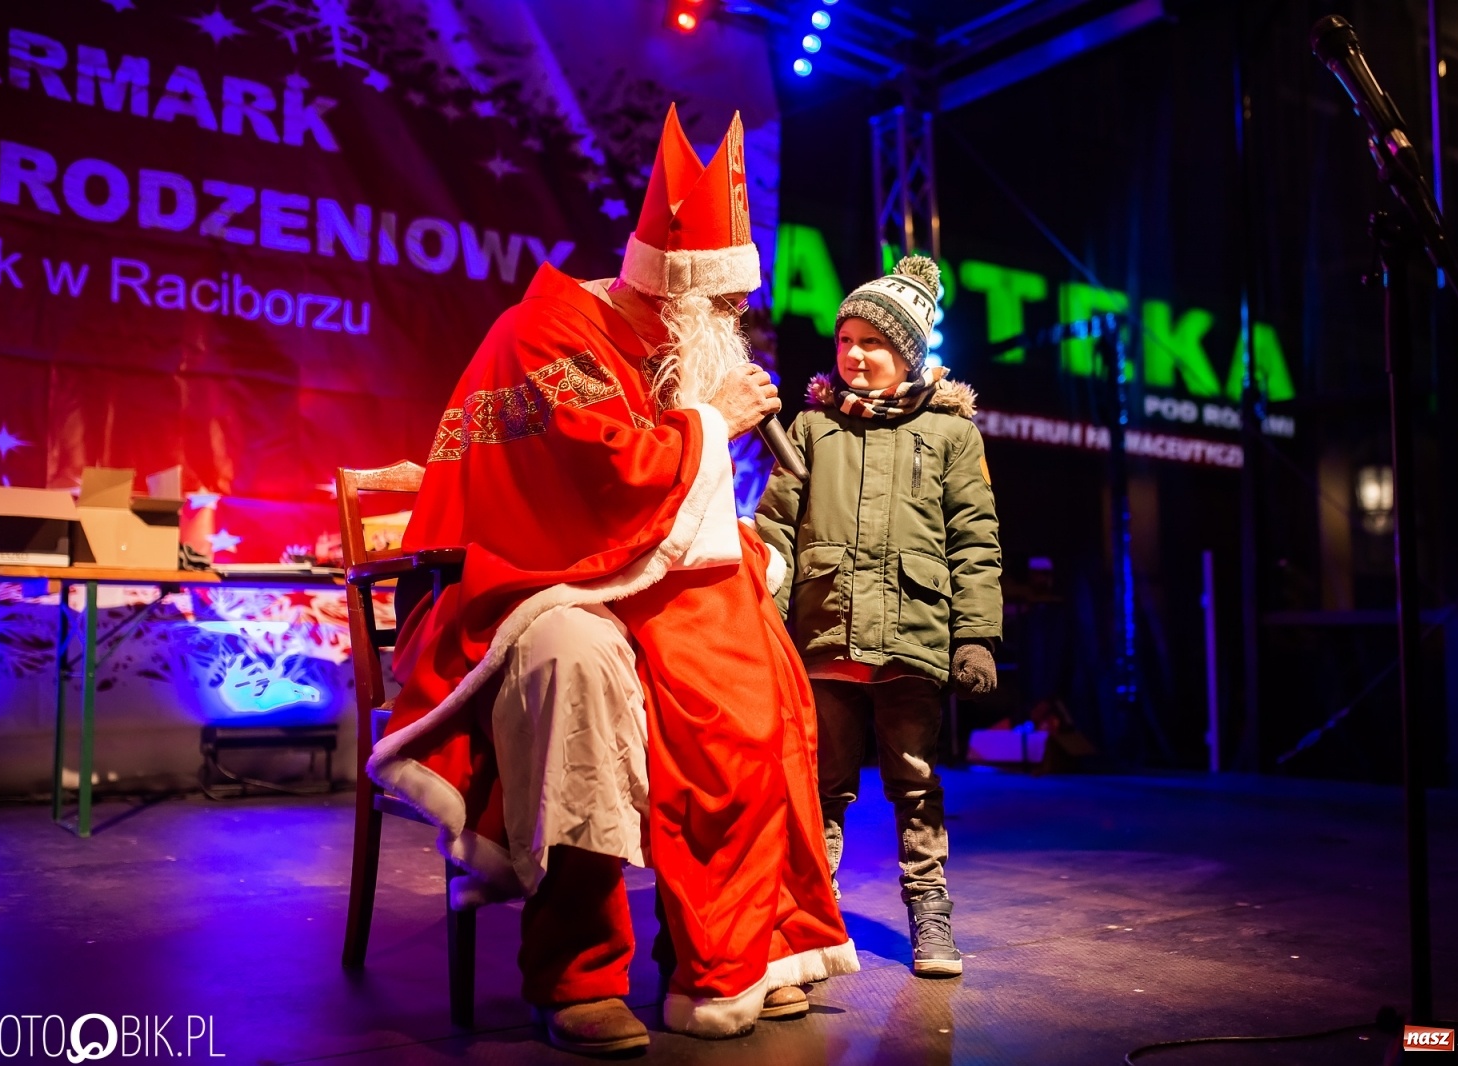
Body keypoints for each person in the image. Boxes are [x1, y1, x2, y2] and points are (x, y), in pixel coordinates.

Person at [369, 105, 856, 1055]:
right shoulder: (551, 329)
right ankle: (574, 967)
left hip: (618, 575)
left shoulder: (663, 353)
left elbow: (664, 515)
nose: (734, 324)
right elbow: (604, 479)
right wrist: (712, 420)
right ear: (676, 295)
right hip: (521, 586)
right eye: (722, 308)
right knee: (581, 666)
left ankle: (728, 949)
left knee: (751, 666)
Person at [754, 255, 1002, 978]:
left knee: (916, 782)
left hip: (912, 640)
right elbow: (774, 529)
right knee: (819, 784)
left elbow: (975, 541)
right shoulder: (810, 428)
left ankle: (929, 913)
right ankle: (811, 917)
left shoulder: (954, 436)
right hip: (824, 638)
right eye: (846, 341)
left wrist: (977, 636)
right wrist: (766, 621)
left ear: (909, 352)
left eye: (874, 343)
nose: (856, 356)